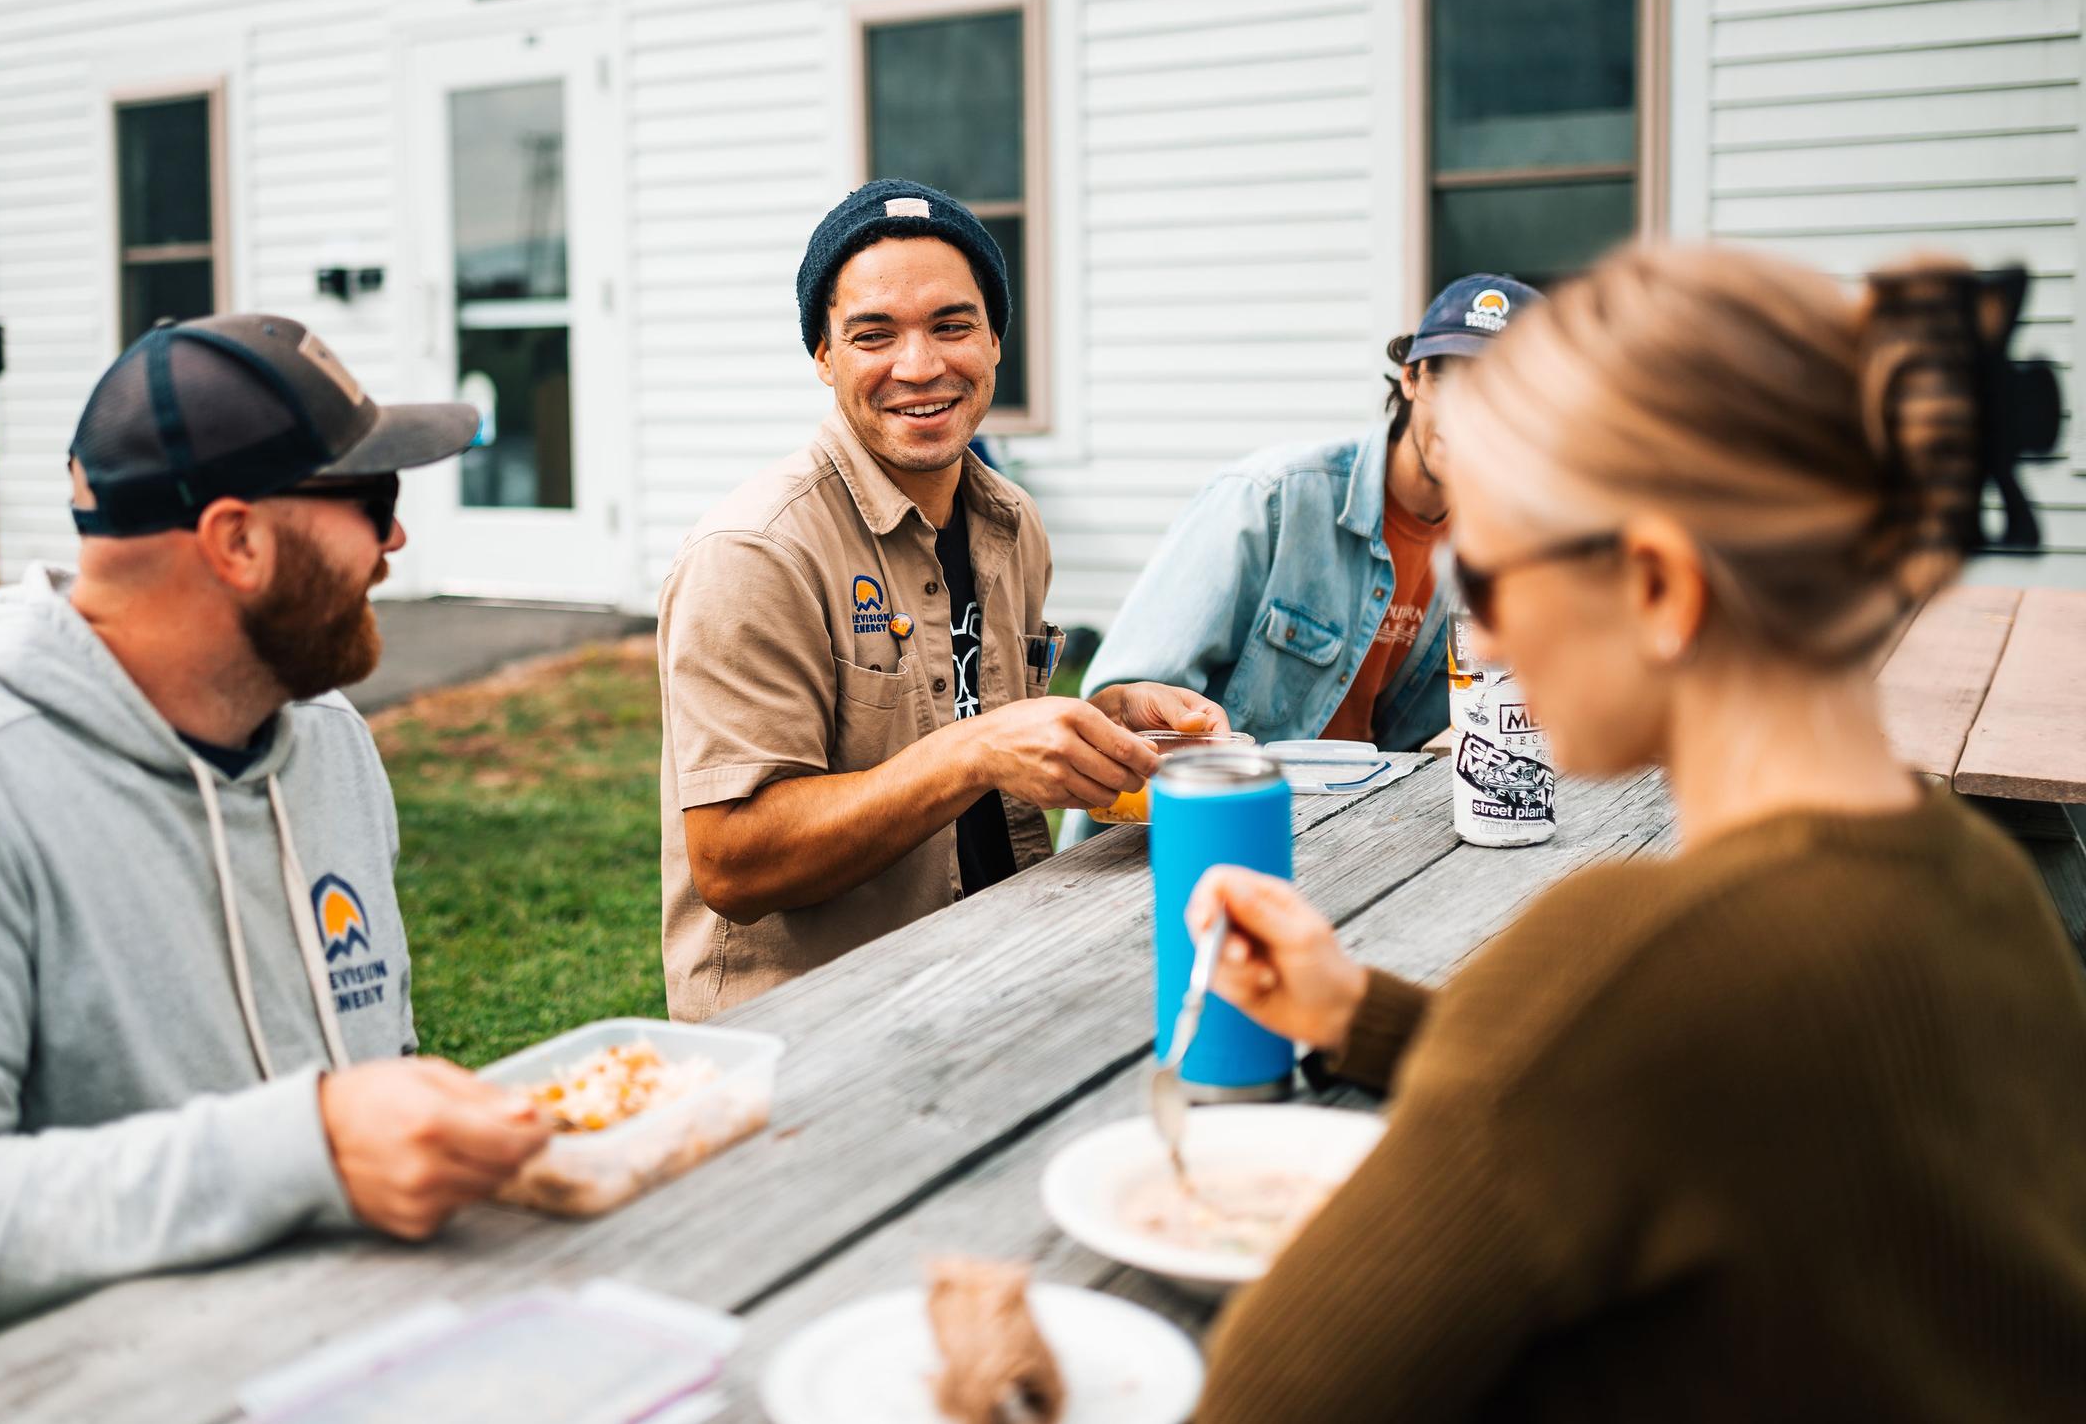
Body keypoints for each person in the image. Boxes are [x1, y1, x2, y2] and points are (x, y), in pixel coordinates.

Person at [1180, 244, 2086, 1420]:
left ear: (1656, 587)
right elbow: (1676, 1084)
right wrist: (1362, 1015)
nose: (1479, 627)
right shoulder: (1986, 878)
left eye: (1492, 570)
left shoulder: (1618, 964)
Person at [0, 316, 551, 1419]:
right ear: (237, 542)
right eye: (374, 505)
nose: (393, 546)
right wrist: (302, 1147)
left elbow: (362, 1068)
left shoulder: (329, 749)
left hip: (308, 1361)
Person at [656, 179, 1223, 1020]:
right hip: (817, 1030)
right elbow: (734, 864)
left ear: (996, 339)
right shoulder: (753, 551)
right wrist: (978, 749)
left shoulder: (1012, 524)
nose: (919, 366)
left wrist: (1097, 721)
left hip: (1005, 971)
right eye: (873, 334)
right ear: (823, 355)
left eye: (952, 325)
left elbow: (971, 727)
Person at [1066, 275, 1543, 818]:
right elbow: (1116, 707)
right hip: (1210, 829)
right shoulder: (1270, 499)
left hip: (1365, 829)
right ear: (1412, 378)